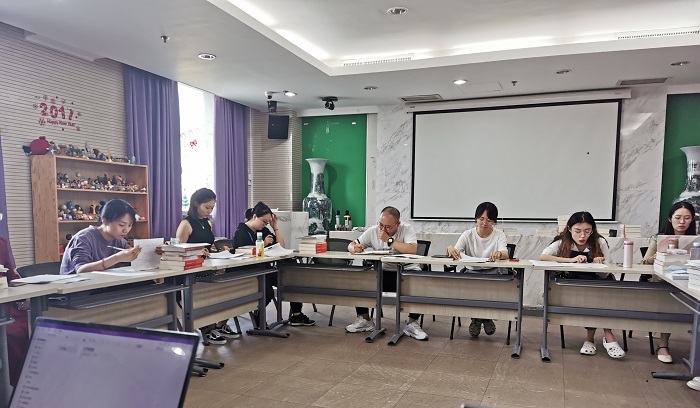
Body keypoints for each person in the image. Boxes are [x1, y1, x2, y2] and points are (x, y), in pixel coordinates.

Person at [540, 211, 625, 359]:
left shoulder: (599, 242)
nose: (582, 236)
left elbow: (607, 272)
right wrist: (570, 260)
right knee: (592, 298)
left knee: (598, 296)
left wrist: (599, 264)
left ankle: (594, 338)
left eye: (587, 231)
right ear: (569, 229)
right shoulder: (563, 242)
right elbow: (543, 257)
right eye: (577, 231)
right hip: (571, 286)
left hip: (595, 284)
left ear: (593, 230)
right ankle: (603, 337)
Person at [347, 206, 428, 341]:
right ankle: (365, 320)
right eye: (381, 225)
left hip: (407, 272)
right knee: (361, 280)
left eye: (388, 227)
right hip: (383, 272)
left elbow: (412, 249)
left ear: (398, 224)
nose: (383, 229)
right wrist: (354, 248)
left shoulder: (407, 229)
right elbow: (352, 244)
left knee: (420, 284)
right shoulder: (373, 231)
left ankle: (412, 323)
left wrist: (389, 240)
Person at [232, 201, 315, 327]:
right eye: (264, 221)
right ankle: (259, 316)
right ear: (254, 216)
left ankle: (296, 315)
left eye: (267, 222)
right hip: (250, 272)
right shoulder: (241, 232)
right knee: (267, 291)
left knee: (291, 279)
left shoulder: (264, 230)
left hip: (265, 268)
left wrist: (275, 227)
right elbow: (240, 253)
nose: (265, 224)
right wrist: (263, 244)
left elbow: (281, 246)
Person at [175, 188, 237, 345]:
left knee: (223, 290)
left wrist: (218, 251)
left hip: (206, 267)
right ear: (196, 204)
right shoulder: (186, 224)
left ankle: (215, 325)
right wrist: (196, 252)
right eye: (207, 207)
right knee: (204, 295)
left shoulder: (206, 223)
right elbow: (178, 252)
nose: (209, 211)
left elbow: (208, 246)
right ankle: (207, 328)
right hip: (190, 272)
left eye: (212, 208)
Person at [640, 201, 696, 364]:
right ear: (670, 219)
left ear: (692, 219)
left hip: (688, 281)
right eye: (678, 217)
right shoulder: (659, 238)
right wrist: (656, 257)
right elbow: (644, 262)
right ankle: (663, 344)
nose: (682, 221)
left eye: (687, 218)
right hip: (662, 281)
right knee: (669, 299)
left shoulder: (696, 240)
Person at [446, 202, 508, 338]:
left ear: (494, 221)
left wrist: (499, 253)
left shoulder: (499, 234)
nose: (484, 223)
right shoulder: (468, 234)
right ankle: (481, 318)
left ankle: (480, 318)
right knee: (473, 289)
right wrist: (450, 248)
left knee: (489, 288)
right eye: (481, 219)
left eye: (489, 220)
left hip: (492, 273)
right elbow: (455, 251)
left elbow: (505, 253)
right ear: (476, 218)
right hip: (471, 273)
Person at [60, 198, 141, 275]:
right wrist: (116, 258)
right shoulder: (84, 238)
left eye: (130, 225)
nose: (126, 230)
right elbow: (81, 270)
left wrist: (139, 254)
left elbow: (133, 260)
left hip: (104, 282)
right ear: (105, 221)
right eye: (121, 225)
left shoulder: (119, 240)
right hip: (77, 283)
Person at [1, 238, 29, 388]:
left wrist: (25, 294)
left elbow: (11, 275)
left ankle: (20, 385)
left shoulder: (1, 243)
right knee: (10, 331)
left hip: (5, 306)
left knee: (24, 324)